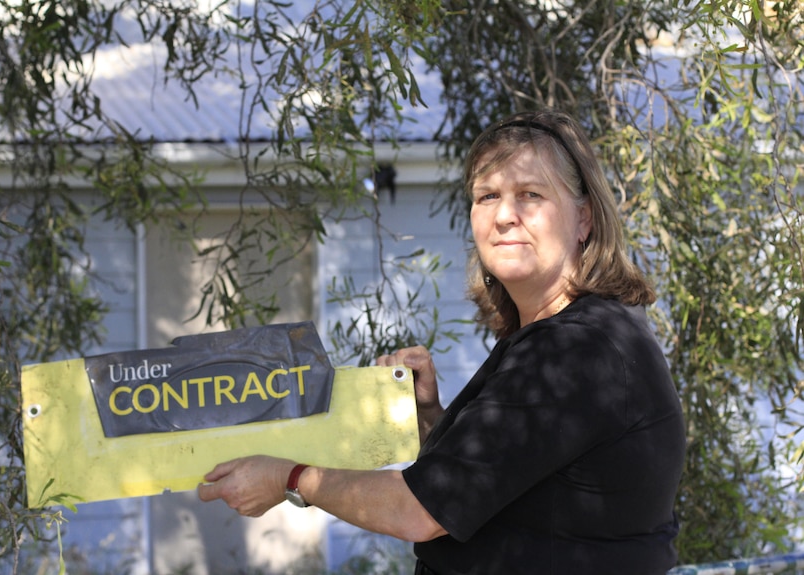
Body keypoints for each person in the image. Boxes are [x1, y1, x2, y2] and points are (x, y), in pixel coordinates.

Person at [198, 109, 686, 574]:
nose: (504, 216)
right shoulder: (565, 337)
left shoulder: (577, 350)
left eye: (531, 194)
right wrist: (432, 418)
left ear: (584, 220)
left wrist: (290, 477)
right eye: (487, 196)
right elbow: (494, 489)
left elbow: (420, 512)